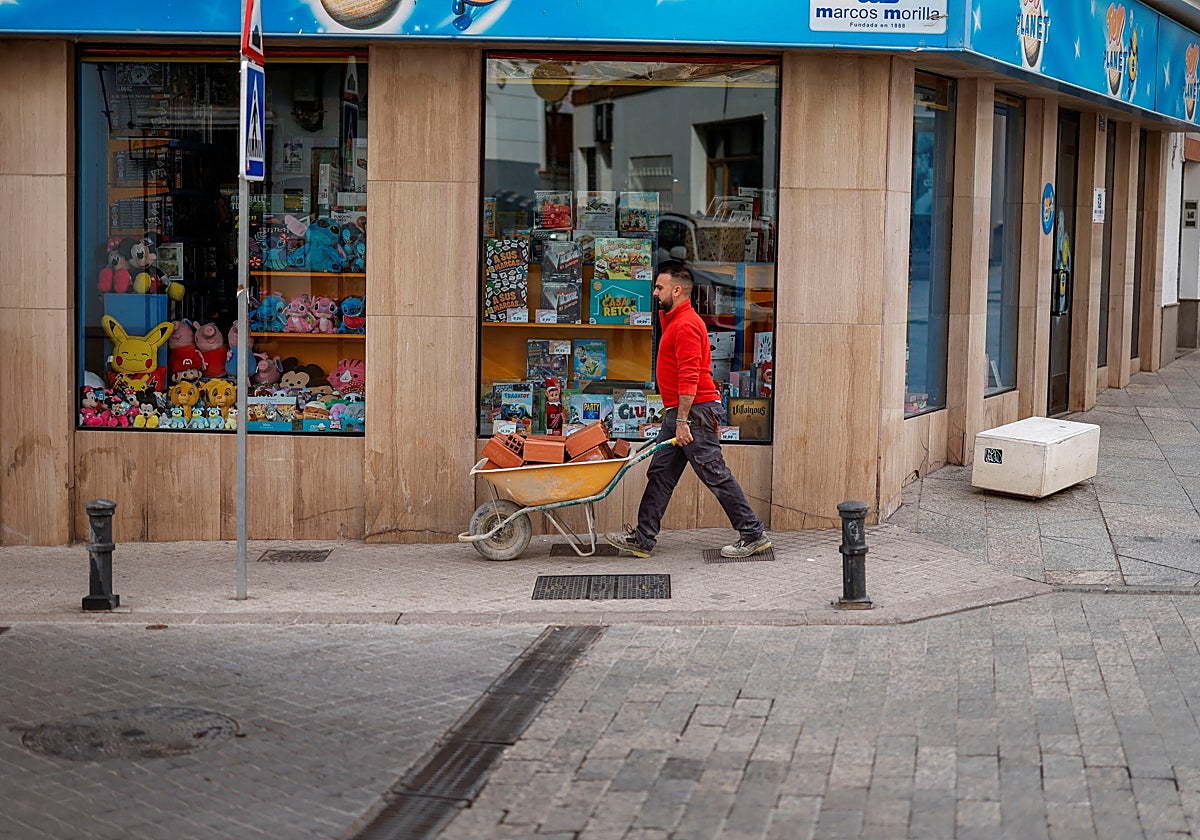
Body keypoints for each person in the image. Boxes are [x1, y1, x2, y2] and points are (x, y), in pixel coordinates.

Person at [604, 260, 771, 559]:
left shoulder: (686, 324)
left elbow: (690, 375)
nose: (654, 293)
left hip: (694, 413)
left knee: (713, 472)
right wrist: (676, 417)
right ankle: (643, 539)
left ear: (677, 290)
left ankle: (753, 533)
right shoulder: (674, 320)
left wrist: (682, 420)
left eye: (659, 288)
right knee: (661, 473)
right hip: (679, 413)